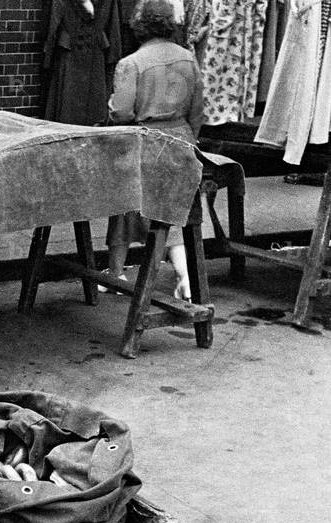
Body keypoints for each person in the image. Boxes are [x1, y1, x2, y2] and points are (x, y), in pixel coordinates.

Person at [102, 0, 204, 300]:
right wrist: (189, 141)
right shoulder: (189, 59)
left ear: (139, 25)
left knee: (123, 206)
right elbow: (197, 111)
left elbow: (121, 112)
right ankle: (185, 278)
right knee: (175, 211)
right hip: (182, 141)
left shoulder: (131, 63)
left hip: (145, 143)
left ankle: (116, 273)